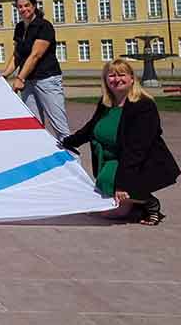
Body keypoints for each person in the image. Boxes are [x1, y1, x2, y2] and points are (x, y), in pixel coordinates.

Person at [61, 59, 179, 226]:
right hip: (112, 161)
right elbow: (91, 128)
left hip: (140, 162)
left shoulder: (144, 105)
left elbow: (137, 149)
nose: (117, 79)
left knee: (111, 213)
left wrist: (123, 184)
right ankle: (135, 206)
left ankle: (149, 202)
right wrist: (67, 142)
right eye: (111, 75)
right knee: (103, 205)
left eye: (122, 74)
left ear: (132, 78)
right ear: (105, 80)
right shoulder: (106, 103)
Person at [0, 0, 70, 141]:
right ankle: (44, 155)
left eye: (27, 5)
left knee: (59, 126)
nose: (23, 9)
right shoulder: (19, 28)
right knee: (34, 126)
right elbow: (17, 55)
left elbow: (35, 55)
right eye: (20, 7)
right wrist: (5, 74)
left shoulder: (44, 26)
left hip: (47, 79)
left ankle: (72, 155)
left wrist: (19, 78)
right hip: (28, 82)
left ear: (34, 6)